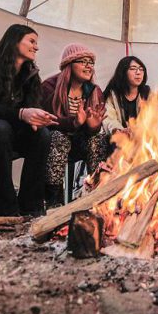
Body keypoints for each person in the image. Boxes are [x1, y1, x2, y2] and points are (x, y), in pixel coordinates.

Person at [0, 24, 57, 217]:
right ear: (15, 40)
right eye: (32, 41)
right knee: (0, 128)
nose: (36, 47)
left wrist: (37, 119)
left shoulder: (30, 73)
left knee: (42, 135)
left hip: (11, 130)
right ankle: (4, 211)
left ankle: (31, 207)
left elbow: (31, 107)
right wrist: (21, 114)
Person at [42, 43, 107, 204]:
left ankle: (97, 195)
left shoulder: (94, 91)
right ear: (68, 65)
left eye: (91, 62)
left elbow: (93, 129)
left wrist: (93, 127)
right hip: (53, 144)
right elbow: (48, 121)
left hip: (80, 144)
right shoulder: (50, 87)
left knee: (98, 140)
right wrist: (74, 122)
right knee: (59, 138)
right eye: (83, 61)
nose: (88, 66)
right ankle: (53, 201)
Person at [102, 56, 150, 137]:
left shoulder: (147, 92)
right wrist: (118, 130)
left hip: (142, 138)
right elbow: (109, 119)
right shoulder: (113, 94)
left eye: (141, 69)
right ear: (123, 72)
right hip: (119, 138)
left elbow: (152, 118)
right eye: (133, 68)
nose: (138, 72)